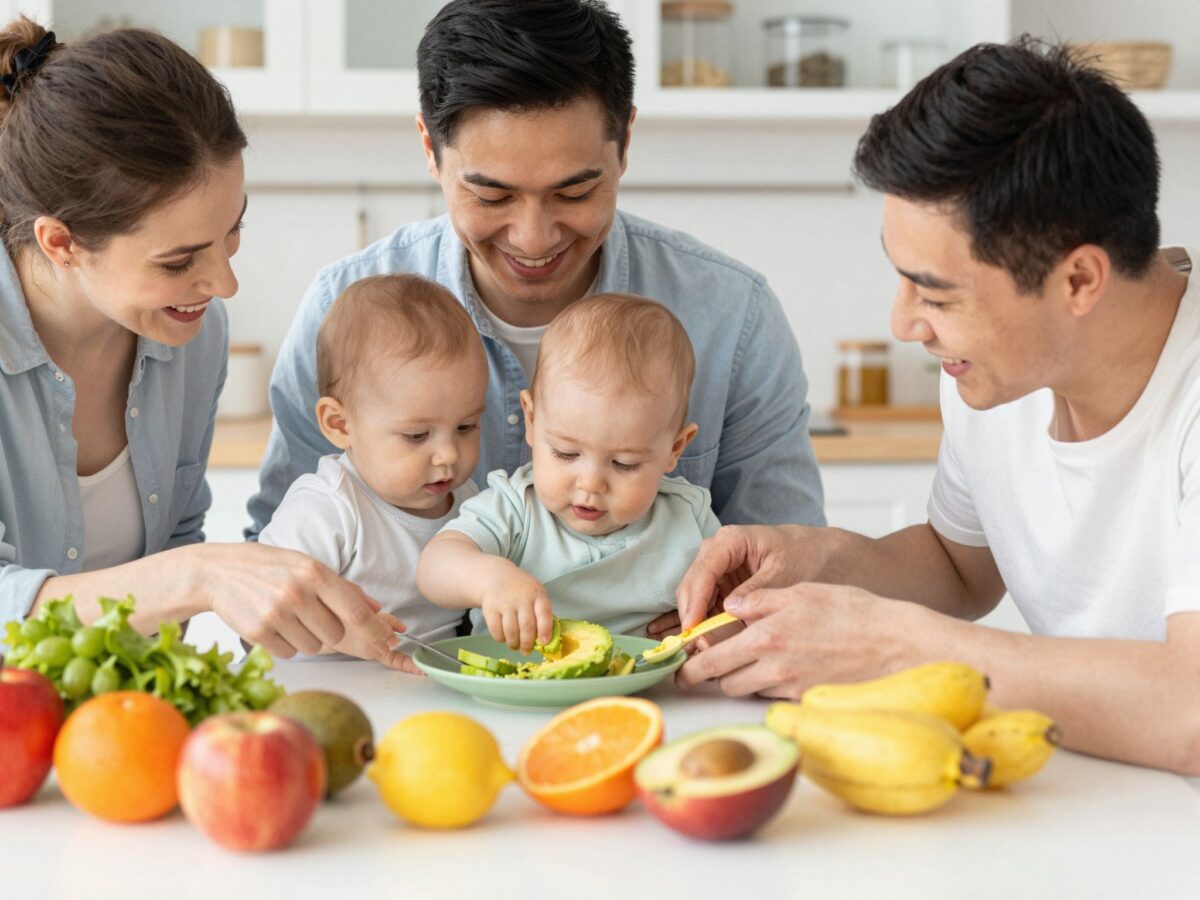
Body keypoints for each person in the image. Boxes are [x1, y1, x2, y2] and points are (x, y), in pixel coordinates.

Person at [669, 38, 1200, 775]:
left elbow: (1192, 712)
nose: (904, 324)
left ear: (1079, 280)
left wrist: (899, 647)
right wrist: (819, 560)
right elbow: (959, 567)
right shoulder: (995, 378)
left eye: (938, 294)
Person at [248, 0, 824, 543]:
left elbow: (788, 567)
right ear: (430, 147)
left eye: (575, 191)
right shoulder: (342, 307)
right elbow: (272, 572)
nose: (533, 238)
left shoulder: (731, 316)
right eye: (492, 197)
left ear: (624, 143)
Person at [0, 18, 397, 663]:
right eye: (179, 260)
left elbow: (177, 536)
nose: (225, 283)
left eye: (231, 231)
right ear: (61, 242)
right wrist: (201, 578)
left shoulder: (193, 336)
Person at [416, 294, 718, 652]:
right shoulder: (514, 507)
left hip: (647, 694)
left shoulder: (689, 517)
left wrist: (713, 626)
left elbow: (736, 606)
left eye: (624, 463)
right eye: (566, 453)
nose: (590, 483)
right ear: (530, 419)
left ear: (675, 448)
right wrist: (490, 578)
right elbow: (434, 568)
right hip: (515, 689)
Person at [258, 274, 487, 666]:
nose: (448, 454)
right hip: (323, 687)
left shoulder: (470, 501)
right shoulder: (327, 507)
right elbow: (269, 604)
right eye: (417, 435)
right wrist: (356, 638)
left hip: (423, 686)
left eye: (465, 427)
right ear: (340, 425)